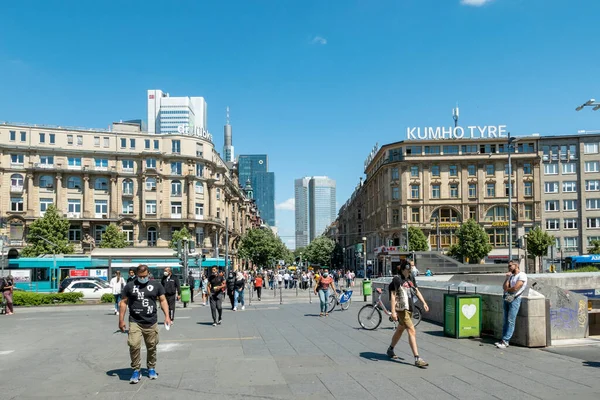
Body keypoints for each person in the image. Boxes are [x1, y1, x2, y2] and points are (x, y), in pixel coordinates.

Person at [119, 264, 171, 384]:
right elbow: (123, 302)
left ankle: (151, 367)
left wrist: (167, 316)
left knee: (152, 346)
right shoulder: (130, 286)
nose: (143, 278)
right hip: (135, 321)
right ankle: (136, 370)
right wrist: (121, 320)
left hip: (151, 321)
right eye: (140, 276)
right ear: (137, 275)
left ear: (148, 274)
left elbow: (163, 300)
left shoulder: (156, 285)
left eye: (145, 276)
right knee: (134, 345)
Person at [387, 260, 430, 368]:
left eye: (410, 269)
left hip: (410, 307)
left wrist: (424, 302)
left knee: (400, 329)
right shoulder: (397, 279)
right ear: (403, 269)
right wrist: (393, 311)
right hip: (402, 309)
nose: (410, 270)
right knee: (411, 330)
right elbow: (392, 295)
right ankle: (417, 358)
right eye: (408, 269)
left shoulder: (411, 278)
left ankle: (390, 349)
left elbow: (416, 291)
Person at [495, 260, 528, 349]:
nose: (509, 267)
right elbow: (504, 287)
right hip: (507, 298)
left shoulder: (522, 275)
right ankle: (503, 339)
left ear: (516, 265)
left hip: (515, 299)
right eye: (508, 266)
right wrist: (507, 278)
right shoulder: (511, 276)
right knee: (505, 319)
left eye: (510, 266)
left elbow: (515, 288)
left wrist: (508, 289)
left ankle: (506, 341)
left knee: (510, 320)